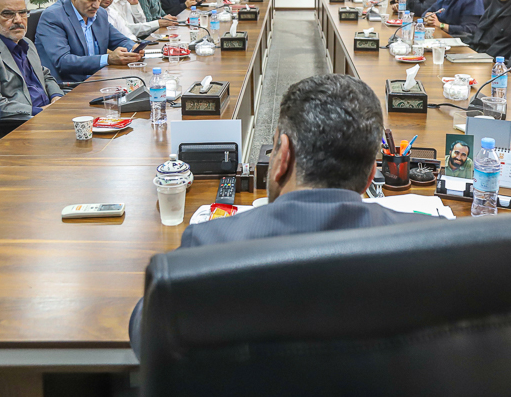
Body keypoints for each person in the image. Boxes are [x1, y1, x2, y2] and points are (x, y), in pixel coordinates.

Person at [127, 74, 440, 357]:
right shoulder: (433, 246)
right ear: (372, 174)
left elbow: (146, 332)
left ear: (282, 156)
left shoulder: (211, 244)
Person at [35, 0, 141, 83]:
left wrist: (134, 49)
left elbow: (120, 40)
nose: (96, 5)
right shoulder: (53, 16)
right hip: (68, 86)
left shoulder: (100, 14)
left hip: (98, 80)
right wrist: (108, 59)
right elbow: (63, 62)